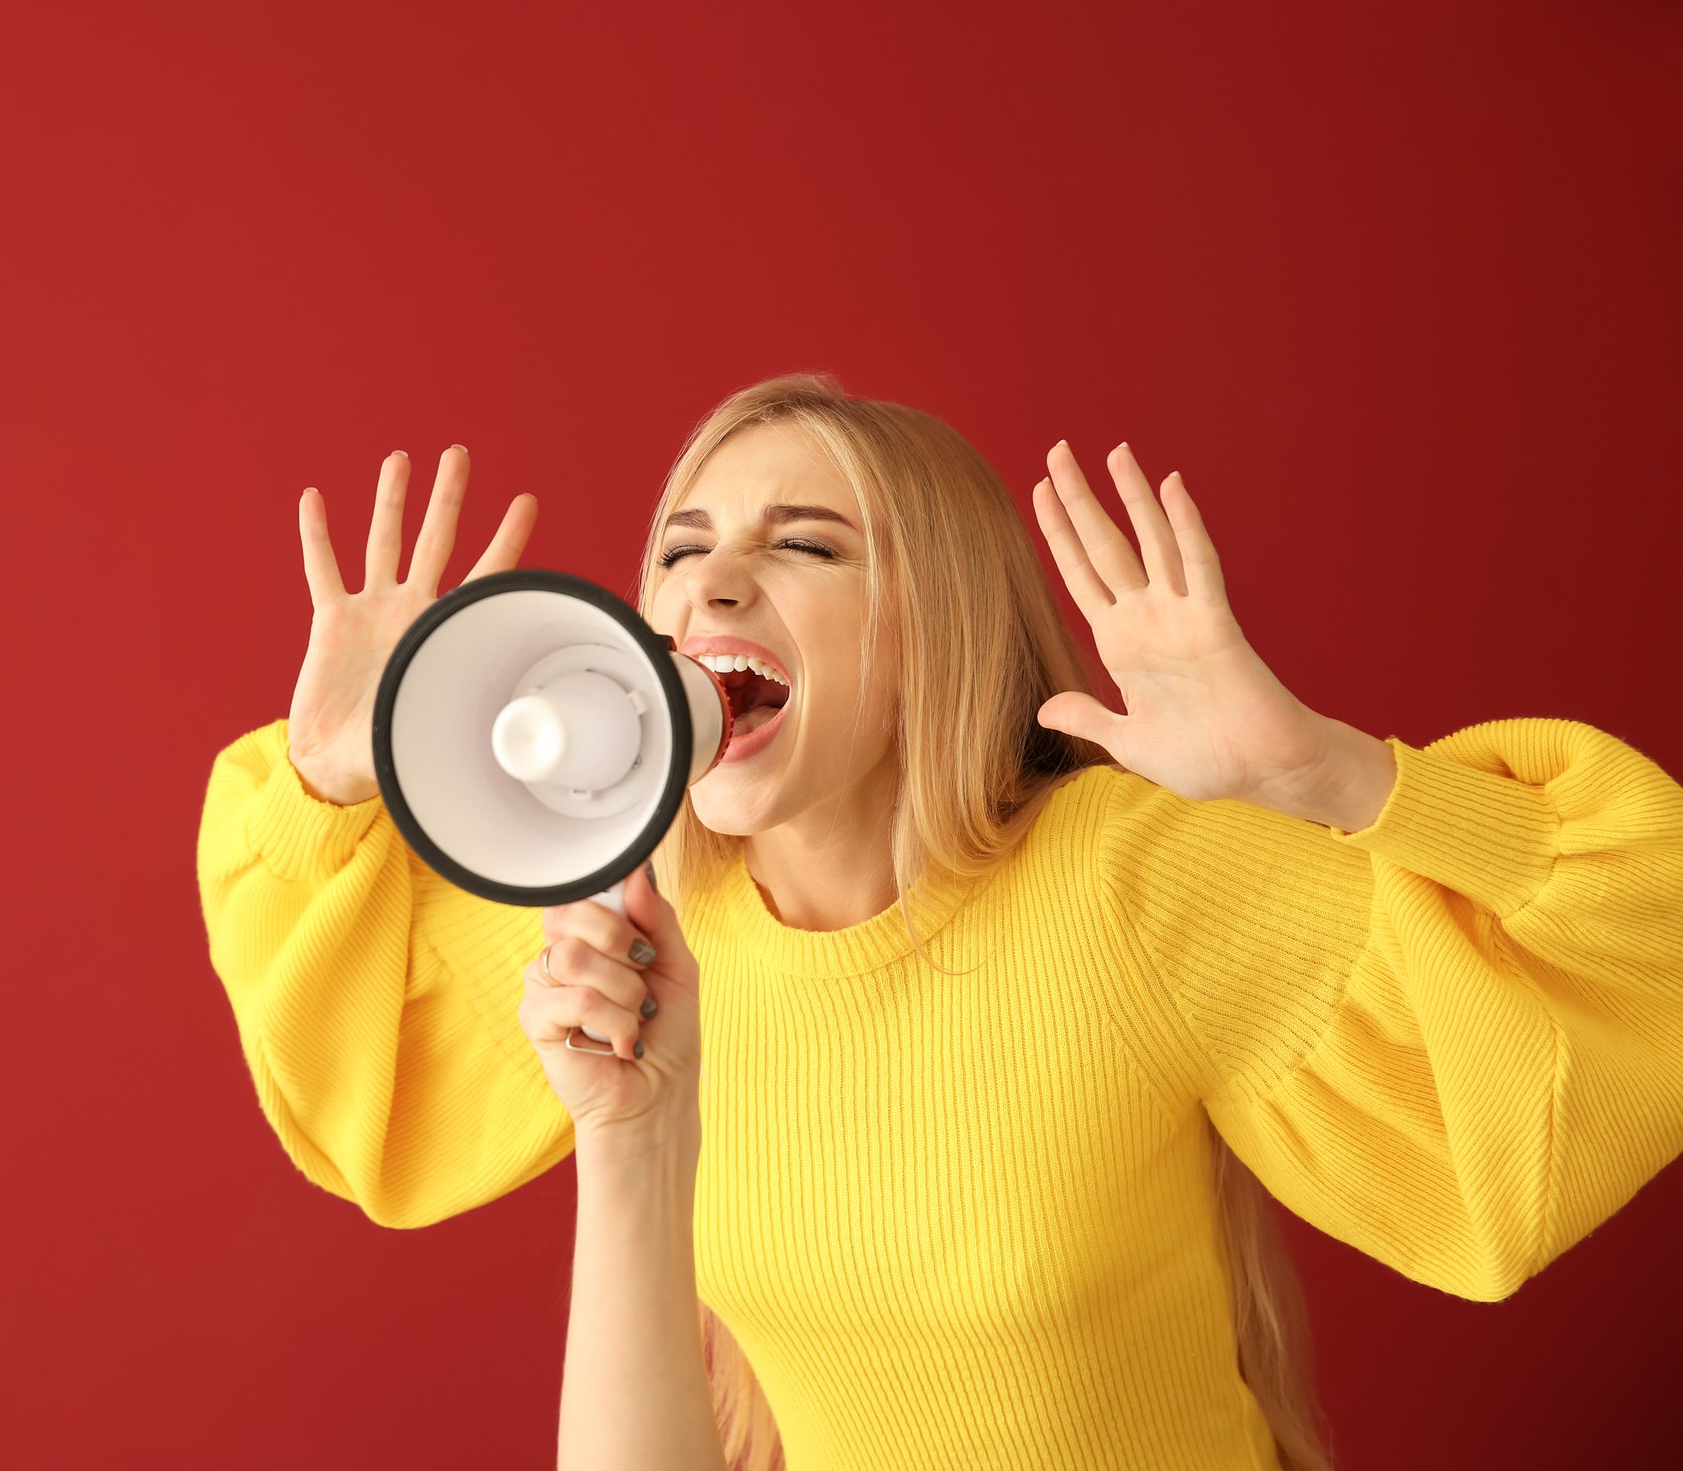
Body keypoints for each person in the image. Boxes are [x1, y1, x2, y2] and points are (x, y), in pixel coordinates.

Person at [195, 373, 1683, 1470]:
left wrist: (1331, 776)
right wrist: (337, 780)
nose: (710, 581)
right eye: (681, 547)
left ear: (935, 631)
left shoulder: (1133, 880)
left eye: (808, 545)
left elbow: (1640, 948)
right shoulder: (636, 934)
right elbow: (348, 1072)